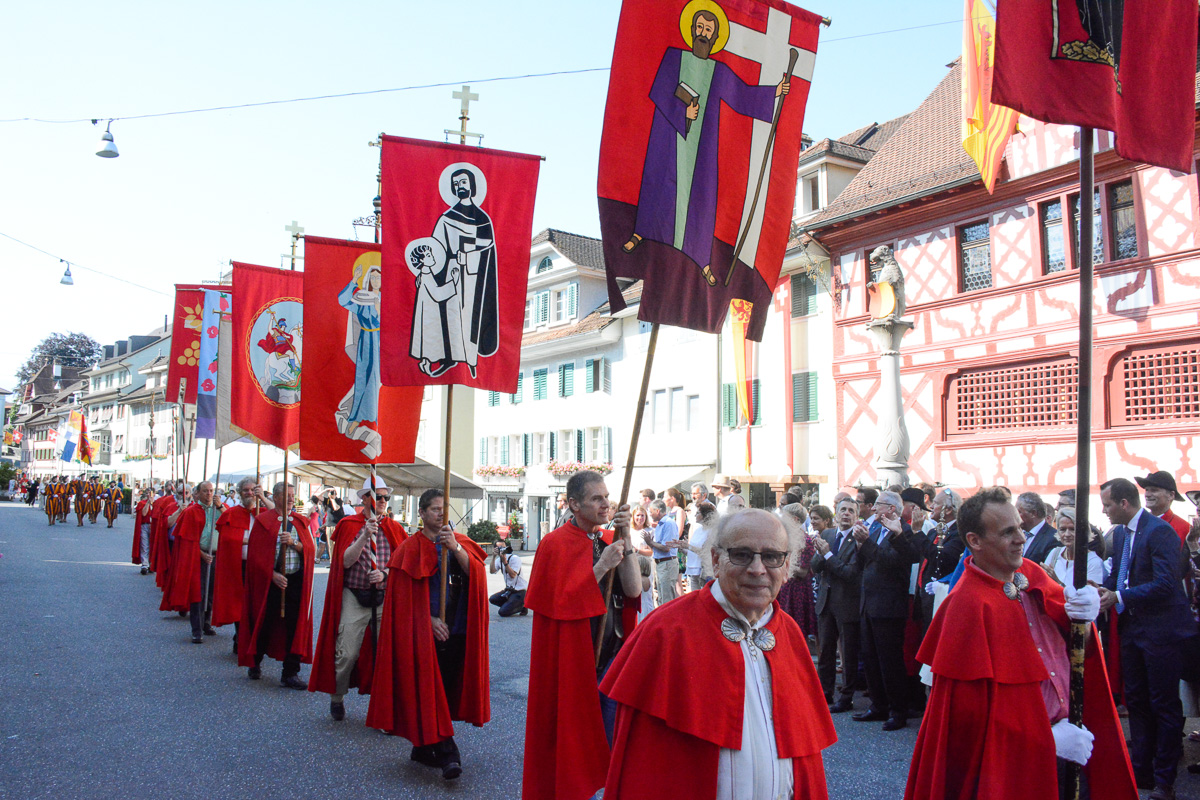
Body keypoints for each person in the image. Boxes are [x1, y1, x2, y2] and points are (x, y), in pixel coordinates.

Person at [905, 488, 1136, 800]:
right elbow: (970, 724)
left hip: (1075, 739)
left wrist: (1084, 615)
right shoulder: (966, 605)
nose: (1020, 539)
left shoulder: (1032, 572)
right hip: (1015, 763)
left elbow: (1073, 642)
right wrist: (1046, 740)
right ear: (974, 541)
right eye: (1007, 532)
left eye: (1020, 528)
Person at [600, 508, 837, 798]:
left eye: (773, 557)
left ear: (786, 566)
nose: (758, 569)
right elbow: (644, 767)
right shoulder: (666, 630)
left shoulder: (789, 633)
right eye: (741, 554)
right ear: (715, 559)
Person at [621, 6, 790, 288]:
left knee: (700, 199)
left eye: (708, 31)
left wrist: (774, 91)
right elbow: (658, 90)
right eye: (699, 27)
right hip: (668, 138)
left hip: (701, 149)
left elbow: (742, 95)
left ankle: (703, 260)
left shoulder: (718, 70)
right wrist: (682, 113)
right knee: (657, 187)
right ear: (691, 30)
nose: (703, 33)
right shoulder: (674, 58)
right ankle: (641, 233)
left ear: (714, 38)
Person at [521, 469, 640, 800]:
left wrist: (624, 538)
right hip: (576, 657)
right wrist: (602, 567)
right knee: (575, 743)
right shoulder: (554, 544)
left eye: (606, 496)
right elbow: (560, 603)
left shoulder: (606, 539)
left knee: (611, 742)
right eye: (596, 499)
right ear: (574, 504)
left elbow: (631, 590)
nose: (605, 504)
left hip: (611, 653)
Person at [367, 488, 490, 781]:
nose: (440, 514)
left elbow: (478, 579)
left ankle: (422, 748)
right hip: (423, 636)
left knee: (445, 693)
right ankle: (449, 755)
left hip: (457, 629)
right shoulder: (409, 549)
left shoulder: (461, 544)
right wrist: (429, 620)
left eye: (444, 509)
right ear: (421, 513)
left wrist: (456, 549)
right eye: (434, 509)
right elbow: (402, 601)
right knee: (429, 692)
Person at [1097, 478, 1195, 800]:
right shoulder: (1123, 533)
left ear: (1124, 504)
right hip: (1133, 630)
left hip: (1162, 632)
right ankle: (1141, 773)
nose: (1104, 511)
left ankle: (1165, 781)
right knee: (1136, 701)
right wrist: (1099, 589)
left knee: (1164, 704)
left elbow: (1167, 584)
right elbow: (1119, 576)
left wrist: (1119, 596)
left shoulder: (1159, 531)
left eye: (1108, 504)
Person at [310, 475, 407, 721]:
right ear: (365, 499)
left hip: (384, 597)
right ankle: (337, 696)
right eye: (379, 496)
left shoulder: (394, 528)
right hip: (354, 595)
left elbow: (401, 561)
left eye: (386, 497)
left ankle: (384, 707)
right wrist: (364, 535)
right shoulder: (349, 525)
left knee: (387, 654)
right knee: (347, 653)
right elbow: (343, 561)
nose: (384, 501)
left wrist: (384, 572)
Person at [237, 482, 315, 689]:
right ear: (277, 497)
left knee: (294, 626)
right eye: (287, 495)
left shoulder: (300, 522)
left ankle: (290, 672)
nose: (291, 499)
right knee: (263, 623)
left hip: (294, 580)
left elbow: (308, 550)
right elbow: (255, 556)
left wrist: (294, 543)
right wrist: (271, 575)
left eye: (293, 495)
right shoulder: (264, 521)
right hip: (271, 582)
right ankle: (255, 662)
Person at [853, 490, 919, 731]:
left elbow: (891, 561)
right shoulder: (876, 529)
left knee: (889, 661)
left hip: (889, 605)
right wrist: (861, 544)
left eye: (878, 505)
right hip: (869, 602)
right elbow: (865, 564)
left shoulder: (902, 531)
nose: (873, 509)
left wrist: (866, 543)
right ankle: (878, 704)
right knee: (870, 658)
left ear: (892, 509)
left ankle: (897, 710)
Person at [812, 497, 864, 712]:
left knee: (849, 653)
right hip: (826, 600)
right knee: (825, 650)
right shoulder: (828, 535)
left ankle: (846, 695)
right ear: (835, 513)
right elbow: (815, 567)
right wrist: (821, 553)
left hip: (847, 602)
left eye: (851, 511)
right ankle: (825, 692)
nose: (846, 514)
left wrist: (827, 554)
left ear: (856, 516)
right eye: (842, 510)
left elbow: (850, 573)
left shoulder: (859, 540)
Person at [212, 477, 273, 652]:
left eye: (252, 489)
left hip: (259, 566)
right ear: (239, 493)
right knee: (240, 604)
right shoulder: (230, 514)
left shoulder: (262, 512)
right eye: (245, 490)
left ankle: (251, 639)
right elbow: (227, 539)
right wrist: (248, 541)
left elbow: (279, 516)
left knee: (257, 605)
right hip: (238, 566)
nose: (249, 493)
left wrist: (262, 497)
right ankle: (241, 638)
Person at [335, 254, 384, 459]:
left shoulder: (383, 301)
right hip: (366, 341)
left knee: (375, 382)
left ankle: (371, 419)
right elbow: (343, 300)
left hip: (380, 344)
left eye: (378, 278)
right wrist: (354, 281)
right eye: (371, 278)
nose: (374, 281)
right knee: (362, 381)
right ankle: (355, 417)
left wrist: (378, 303)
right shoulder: (362, 299)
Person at [163, 481, 221, 643]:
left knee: (211, 592)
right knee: (198, 593)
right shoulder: (191, 512)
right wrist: (201, 554)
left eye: (211, 491)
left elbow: (229, 523)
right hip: (198, 556)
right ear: (198, 493)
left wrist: (220, 506)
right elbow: (186, 540)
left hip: (217, 555)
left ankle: (207, 623)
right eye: (205, 491)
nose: (209, 494)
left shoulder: (219, 509)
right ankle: (197, 629)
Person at [776, 503, 817, 639]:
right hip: (785, 587)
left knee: (795, 630)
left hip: (797, 591)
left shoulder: (804, 540)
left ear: (794, 519)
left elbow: (803, 571)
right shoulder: (784, 537)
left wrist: (781, 565)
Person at [1043, 508, 1106, 587]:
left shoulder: (1093, 562)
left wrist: (1058, 583)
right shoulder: (1055, 553)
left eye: (1072, 529)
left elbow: (1086, 597)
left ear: (1084, 531)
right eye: (1062, 529)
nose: (1067, 534)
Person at [1136, 470, 1191, 544]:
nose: (1147, 495)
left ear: (1171, 495)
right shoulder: (1138, 523)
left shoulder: (1184, 528)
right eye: (1146, 490)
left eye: (1154, 490)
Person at [679, 500, 718, 590]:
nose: (695, 515)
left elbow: (705, 552)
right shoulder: (698, 530)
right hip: (693, 569)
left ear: (705, 515)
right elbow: (692, 551)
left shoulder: (711, 531)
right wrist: (681, 547)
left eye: (698, 513)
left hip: (703, 572)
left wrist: (687, 546)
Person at [647, 499, 680, 605]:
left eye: (651, 512)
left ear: (657, 511)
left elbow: (667, 547)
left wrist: (650, 542)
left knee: (667, 598)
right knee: (661, 598)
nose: (650, 514)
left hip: (667, 564)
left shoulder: (668, 524)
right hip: (661, 564)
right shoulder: (661, 524)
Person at [1018, 491, 1060, 564]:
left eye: (1019, 512)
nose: (1016, 515)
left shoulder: (1053, 538)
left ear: (1033, 513)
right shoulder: (1018, 534)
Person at [488, 540, 528, 618]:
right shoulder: (498, 560)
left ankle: (522, 605)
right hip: (509, 590)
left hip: (519, 591)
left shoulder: (515, 558)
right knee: (493, 599)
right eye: (499, 548)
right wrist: (493, 557)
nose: (502, 550)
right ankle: (512, 604)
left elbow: (513, 575)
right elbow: (492, 571)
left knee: (502, 612)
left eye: (504, 547)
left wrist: (505, 562)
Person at [131, 488, 153, 574]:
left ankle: (151, 563)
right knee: (144, 545)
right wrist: (148, 502)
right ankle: (145, 564)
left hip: (153, 526)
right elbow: (144, 513)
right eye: (147, 493)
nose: (149, 495)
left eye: (150, 493)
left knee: (152, 546)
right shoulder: (142, 503)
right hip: (145, 525)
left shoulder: (157, 503)